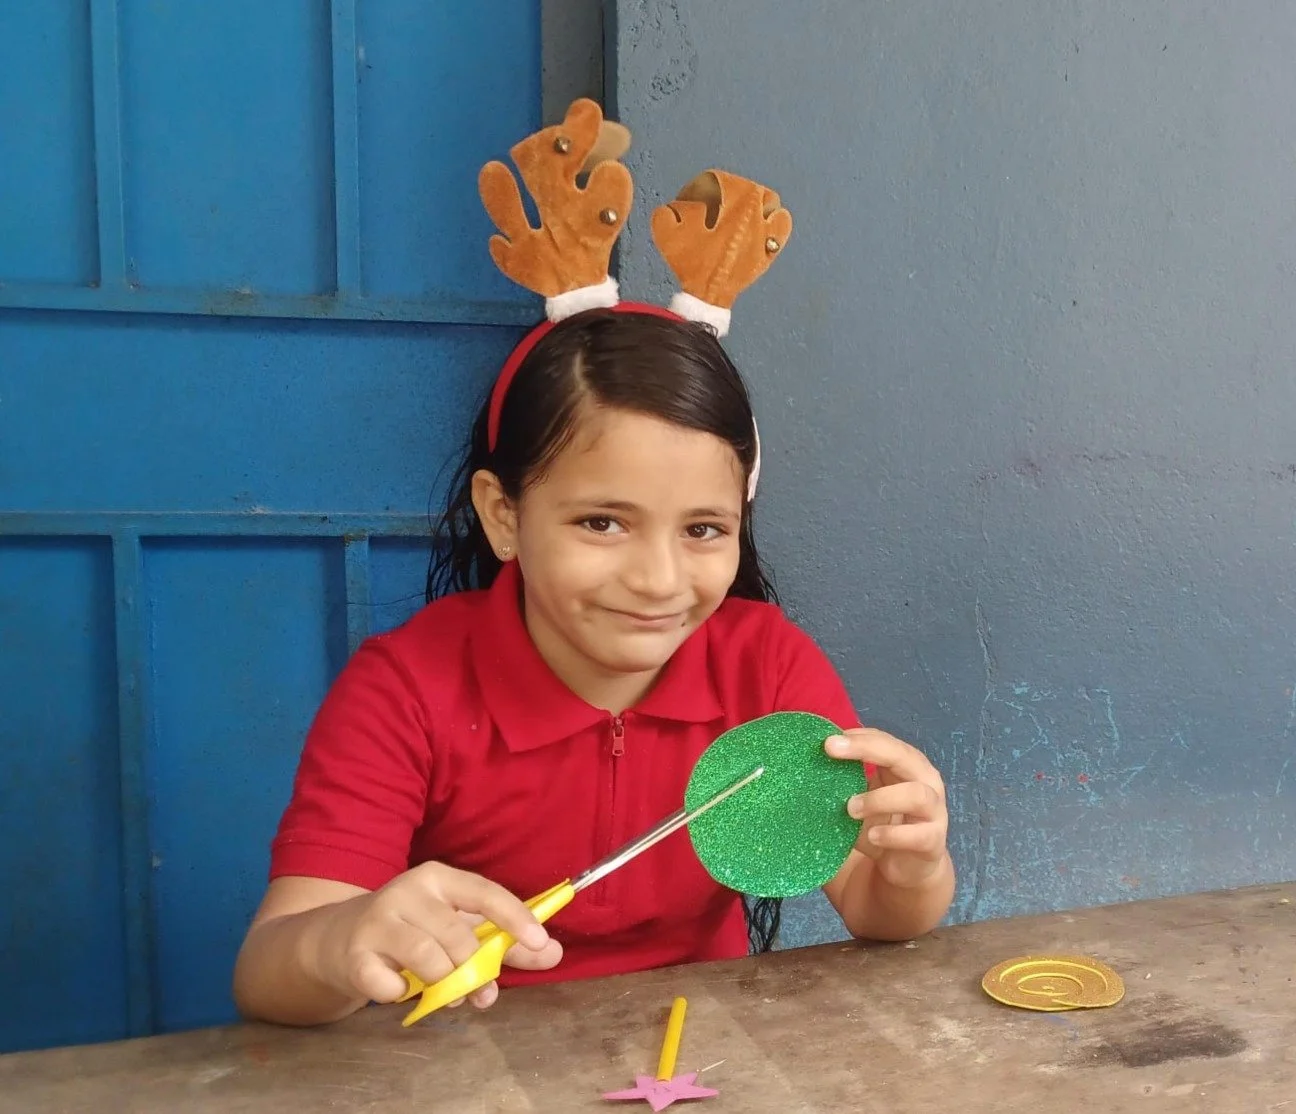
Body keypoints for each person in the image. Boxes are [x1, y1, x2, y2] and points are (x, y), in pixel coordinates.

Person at [232, 101, 954, 1028]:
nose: (658, 581)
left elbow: (879, 913)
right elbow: (268, 973)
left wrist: (914, 867)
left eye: (703, 531)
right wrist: (342, 941)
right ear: (505, 515)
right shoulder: (406, 693)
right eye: (603, 522)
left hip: (707, 1061)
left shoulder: (765, 668)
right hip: (468, 1070)